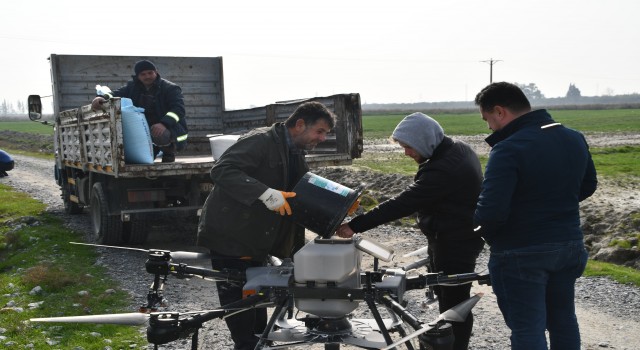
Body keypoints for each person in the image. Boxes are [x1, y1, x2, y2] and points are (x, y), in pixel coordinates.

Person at [335, 112, 484, 350]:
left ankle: (455, 346)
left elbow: (403, 204)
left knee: (455, 304)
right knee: (451, 299)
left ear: (425, 141)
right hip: (455, 236)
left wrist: (355, 225)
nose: (406, 153)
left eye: (409, 147)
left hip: (455, 242)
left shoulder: (443, 168)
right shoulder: (457, 149)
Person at [196, 101, 335, 350]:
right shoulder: (261, 141)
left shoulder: (294, 150)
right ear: (300, 124)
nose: (322, 138)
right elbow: (222, 170)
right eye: (320, 131)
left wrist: (337, 205)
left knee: (256, 296)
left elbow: (304, 189)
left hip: (258, 238)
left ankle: (256, 341)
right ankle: (245, 344)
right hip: (232, 234)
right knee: (237, 297)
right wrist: (265, 193)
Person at [473, 82, 598, 350]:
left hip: (520, 250)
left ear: (499, 111)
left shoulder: (507, 149)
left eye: (487, 120)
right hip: (569, 245)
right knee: (563, 320)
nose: (489, 128)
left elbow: (490, 211)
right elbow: (588, 186)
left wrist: (483, 232)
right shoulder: (573, 137)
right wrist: (553, 204)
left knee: (527, 328)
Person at [91, 59, 187, 163]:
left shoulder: (170, 88)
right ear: (138, 76)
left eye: (150, 73)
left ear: (156, 72)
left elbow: (179, 109)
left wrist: (163, 124)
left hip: (168, 127)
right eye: (143, 74)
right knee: (143, 160)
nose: (147, 76)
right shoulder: (133, 87)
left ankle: (168, 150)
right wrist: (100, 97)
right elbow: (115, 93)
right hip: (143, 127)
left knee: (160, 134)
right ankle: (150, 151)